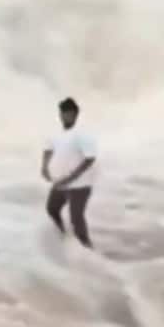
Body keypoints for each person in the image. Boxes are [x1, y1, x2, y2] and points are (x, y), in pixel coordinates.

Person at [41, 97, 97, 248]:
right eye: (64, 113)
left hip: (80, 185)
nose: (66, 116)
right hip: (60, 182)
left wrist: (72, 177)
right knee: (52, 209)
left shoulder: (82, 135)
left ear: (75, 115)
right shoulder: (56, 134)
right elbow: (48, 149)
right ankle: (63, 238)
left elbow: (90, 159)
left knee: (76, 218)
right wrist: (44, 167)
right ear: (60, 114)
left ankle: (87, 248)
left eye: (70, 114)